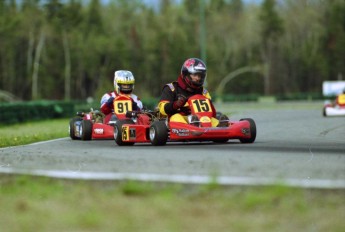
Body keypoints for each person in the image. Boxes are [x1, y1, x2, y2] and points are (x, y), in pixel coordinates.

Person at [158, 58, 228, 127]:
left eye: (200, 76)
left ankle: (220, 127)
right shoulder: (171, 88)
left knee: (211, 120)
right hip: (178, 119)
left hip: (200, 119)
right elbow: (162, 110)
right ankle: (192, 127)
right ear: (186, 74)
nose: (198, 78)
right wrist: (175, 105)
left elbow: (211, 113)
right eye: (195, 75)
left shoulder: (203, 92)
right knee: (176, 117)